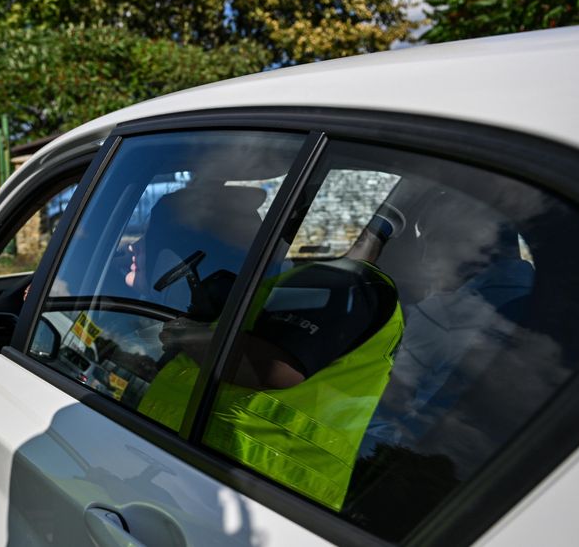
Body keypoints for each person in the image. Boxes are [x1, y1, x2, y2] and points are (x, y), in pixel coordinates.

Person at [133, 191, 404, 512]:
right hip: (246, 481)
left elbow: (274, 367)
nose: (290, 236)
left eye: (301, 222)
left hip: (235, 476)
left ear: (343, 225)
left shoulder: (342, 281)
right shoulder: (349, 288)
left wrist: (188, 337)